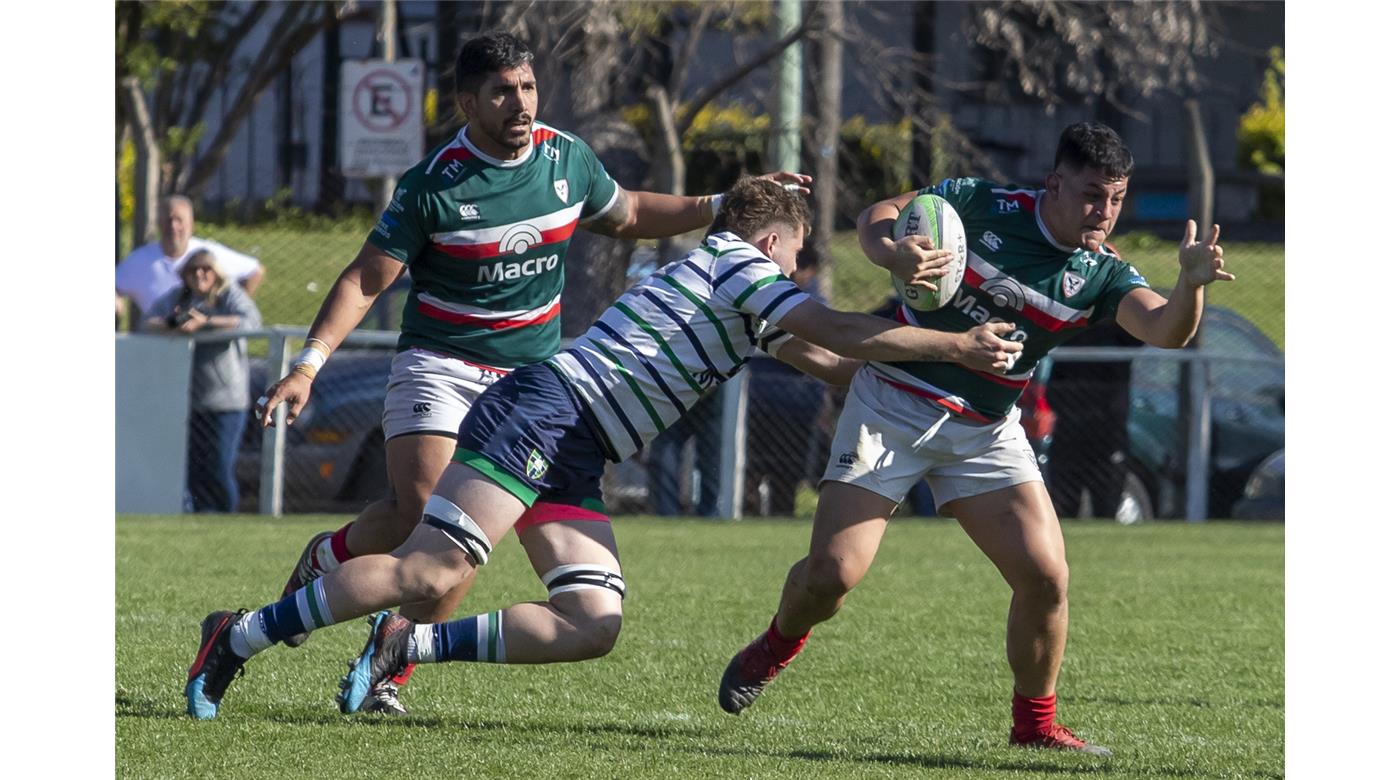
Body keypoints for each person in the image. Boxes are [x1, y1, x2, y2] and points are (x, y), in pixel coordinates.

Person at [184, 176, 1025, 721]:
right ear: (771, 244)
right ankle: (239, 635)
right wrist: (955, 347)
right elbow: (837, 329)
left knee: (594, 622)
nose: (796, 272)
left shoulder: (724, 288)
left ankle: (410, 645)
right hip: (547, 413)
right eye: (798, 258)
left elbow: (838, 357)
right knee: (429, 571)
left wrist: (928, 318)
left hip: (575, 447)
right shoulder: (737, 265)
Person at [252, 31, 810, 715]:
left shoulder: (565, 159)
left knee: (460, 549)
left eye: (527, 87)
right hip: (442, 364)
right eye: (501, 91)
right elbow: (366, 279)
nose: (520, 103)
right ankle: (329, 558)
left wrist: (719, 205)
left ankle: (390, 668)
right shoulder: (434, 184)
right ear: (467, 103)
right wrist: (307, 366)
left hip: (536, 380)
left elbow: (629, 213)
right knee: (419, 516)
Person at [715, 122, 1233, 757]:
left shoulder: (1099, 274)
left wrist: (1191, 285)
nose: (1104, 212)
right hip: (891, 406)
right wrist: (890, 251)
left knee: (1046, 577)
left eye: (1116, 198)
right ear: (1054, 183)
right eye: (1092, 194)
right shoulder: (980, 204)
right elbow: (879, 212)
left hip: (985, 433)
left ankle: (1035, 726)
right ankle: (774, 646)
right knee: (832, 575)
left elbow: (1165, 331)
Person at [143, 250, 263, 512]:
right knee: (194, 468)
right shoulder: (179, 298)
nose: (200, 274)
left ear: (216, 272)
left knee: (218, 466)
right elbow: (146, 321)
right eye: (193, 270)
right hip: (189, 398)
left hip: (225, 401)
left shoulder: (228, 295)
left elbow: (252, 322)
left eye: (206, 269)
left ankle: (225, 516)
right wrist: (170, 324)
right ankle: (201, 517)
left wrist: (206, 322)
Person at [1045, 317, 1143, 519]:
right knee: (1063, 507)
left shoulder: (1120, 332)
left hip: (1108, 431)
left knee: (1107, 506)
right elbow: (1052, 389)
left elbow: (1149, 330)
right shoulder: (1070, 328)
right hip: (1069, 431)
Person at [116, 195, 265, 322]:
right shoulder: (141, 259)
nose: (173, 226)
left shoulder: (208, 254)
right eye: (168, 220)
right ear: (159, 223)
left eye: (179, 220)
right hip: (160, 337)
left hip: (205, 336)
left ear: (191, 223)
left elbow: (254, 271)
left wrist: (226, 309)